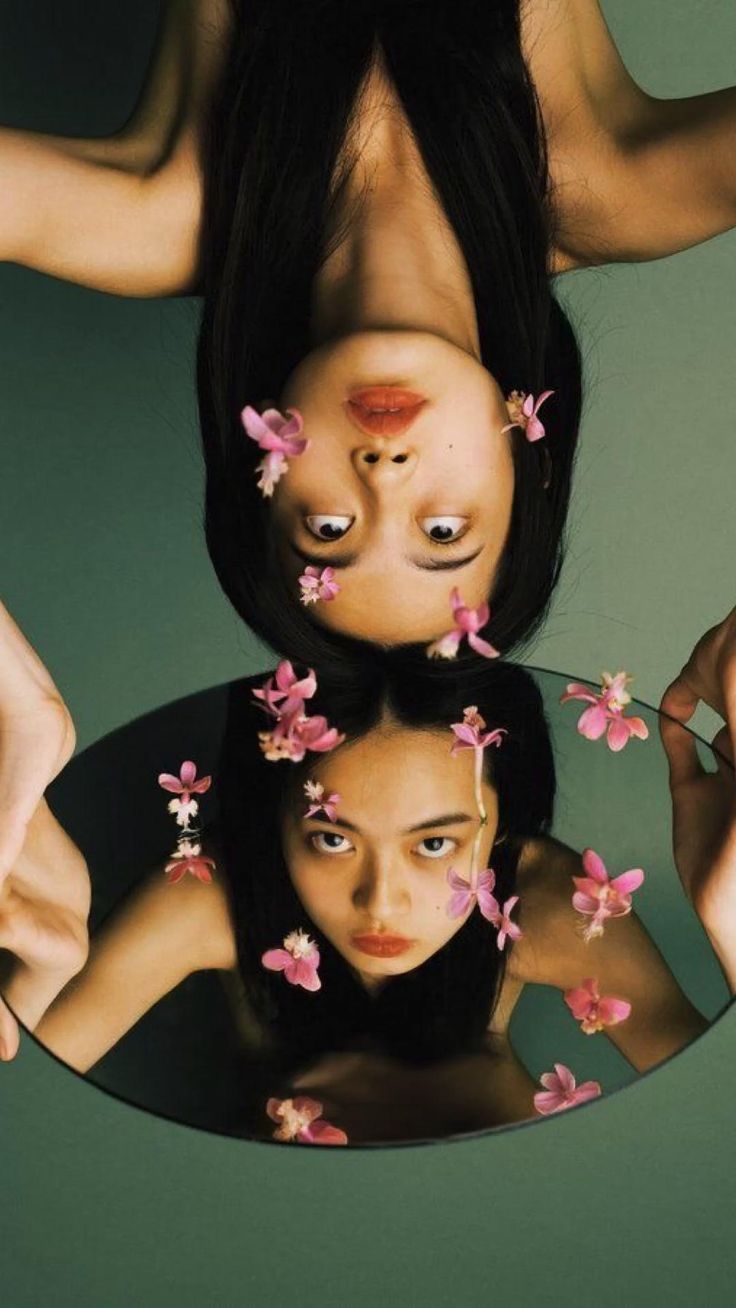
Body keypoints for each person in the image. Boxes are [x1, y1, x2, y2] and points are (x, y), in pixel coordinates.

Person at [2, 2, 735, 658]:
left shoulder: (159, 217)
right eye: (443, 532)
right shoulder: (618, 187)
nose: (384, 479)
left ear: (258, 478)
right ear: (529, 473)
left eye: (327, 529)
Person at [2, 601, 732, 1141]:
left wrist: (728, 915)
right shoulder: (211, 894)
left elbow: (713, 1122)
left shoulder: (546, 903)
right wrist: (40, 963)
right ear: (272, 816)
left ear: (504, 824)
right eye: (330, 838)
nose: (381, 902)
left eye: (436, 845)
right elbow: (26, 1064)